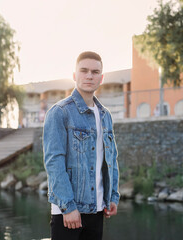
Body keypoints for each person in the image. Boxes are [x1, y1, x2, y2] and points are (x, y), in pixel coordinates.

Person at [43, 51, 120, 240]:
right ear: (74, 75)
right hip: (68, 210)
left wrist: (113, 196)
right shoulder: (60, 112)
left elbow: (111, 159)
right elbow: (54, 162)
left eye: (95, 72)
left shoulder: (105, 115)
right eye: (84, 71)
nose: (89, 76)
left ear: (101, 78)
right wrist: (68, 207)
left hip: (97, 208)